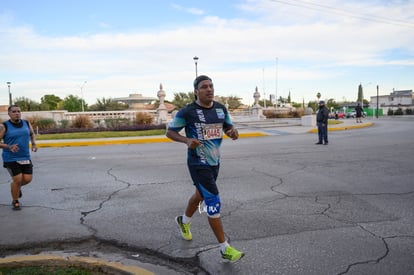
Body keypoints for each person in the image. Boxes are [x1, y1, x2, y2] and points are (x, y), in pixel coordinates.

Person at [166, 75, 244, 262]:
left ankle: (183, 221)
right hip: (197, 163)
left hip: (214, 162)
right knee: (213, 200)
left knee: (200, 195)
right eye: (204, 87)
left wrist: (233, 133)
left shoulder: (220, 109)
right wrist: (186, 140)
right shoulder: (187, 112)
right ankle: (224, 248)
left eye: (211, 86)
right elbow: (170, 132)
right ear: (196, 91)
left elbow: (230, 130)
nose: (209, 89)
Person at [0, 105, 37, 210]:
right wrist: (9, 146)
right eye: (14, 112)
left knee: (27, 179)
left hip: (25, 156)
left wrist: (34, 144)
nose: (17, 113)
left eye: (18, 111)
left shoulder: (26, 123)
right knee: (17, 179)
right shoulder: (4, 126)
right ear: (9, 113)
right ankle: (15, 201)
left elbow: (32, 134)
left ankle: (16, 188)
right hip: (10, 157)